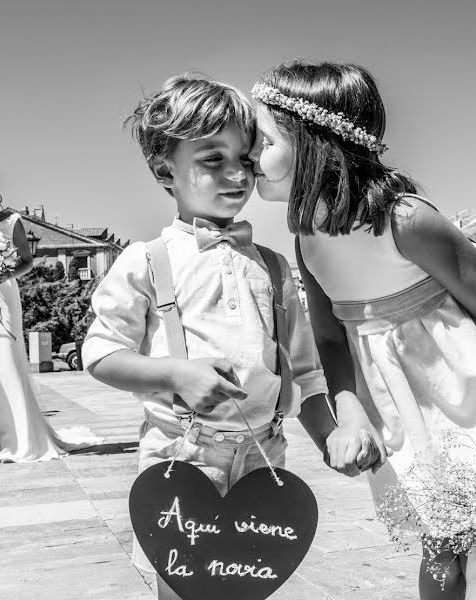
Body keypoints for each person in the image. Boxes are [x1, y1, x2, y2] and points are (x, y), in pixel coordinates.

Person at [248, 61, 476, 600]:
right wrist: (349, 415)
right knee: (440, 543)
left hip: (465, 384)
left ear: (314, 141)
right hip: (394, 400)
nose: (248, 155)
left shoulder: (404, 220)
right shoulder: (306, 235)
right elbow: (329, 338)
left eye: (263, 140)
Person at [82, 74, 363, 600]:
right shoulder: (148, 260)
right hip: (181, 456)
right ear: (165, 168)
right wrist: (172, 373)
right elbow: (99, 353)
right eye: (212, 160)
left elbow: (302, 373)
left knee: (247, 585)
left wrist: (332, 439)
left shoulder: (275, 267)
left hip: (265, 458)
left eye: (246, 161)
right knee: (184, 591)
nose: (236, 175)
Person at [0, 166, 101, 464]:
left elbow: (27, 260)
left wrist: (4, 273)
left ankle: (17, 437)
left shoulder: (12, 220)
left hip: (4, 296)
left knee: (7, 359)